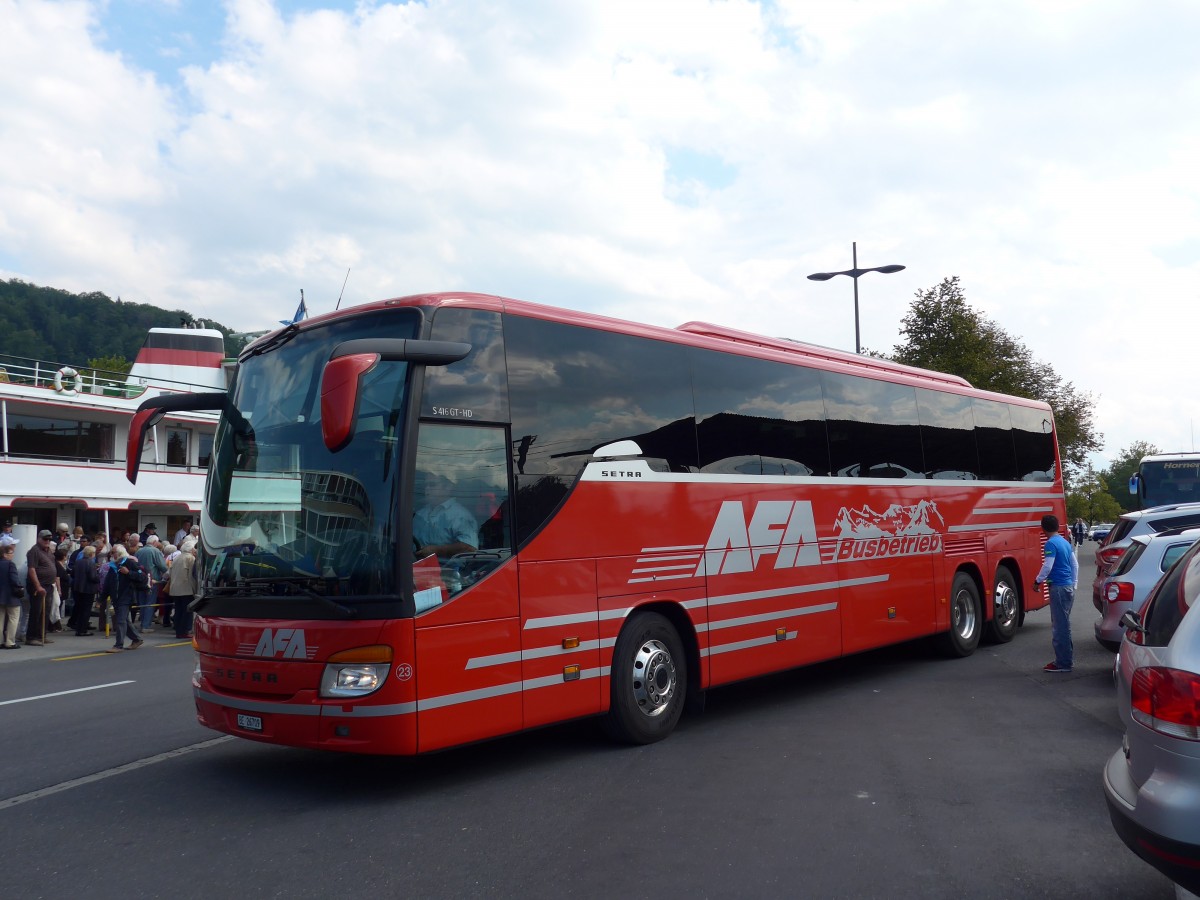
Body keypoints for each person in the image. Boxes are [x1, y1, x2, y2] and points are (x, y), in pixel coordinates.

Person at [1034, 514, 1079, 673]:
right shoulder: (1064, 542)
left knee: (1060, 627)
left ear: (1043, 528)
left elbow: (1048, 566)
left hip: (1058, 587)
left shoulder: (1050, 544)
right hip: (1067, 586)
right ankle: (1066, 660)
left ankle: (1063, 663)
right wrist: (1074, 583)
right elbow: (1074, 564)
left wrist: (1037, 581)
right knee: (1064, 624)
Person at [412, 472, 478, 561]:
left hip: (448, 568)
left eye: (432, 485)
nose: (427, 489)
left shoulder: (460, 515)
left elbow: (470, 548)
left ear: (447, 487)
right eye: (425, 485)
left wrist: (436, 550)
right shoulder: (420, 514)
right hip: (411, 566)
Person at [102, 545, 145, 652]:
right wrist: (101, 599)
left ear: (120, 553)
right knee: (124, 620)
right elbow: (107, 584)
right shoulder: (113, 566)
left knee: (120, 620)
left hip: (126, 596)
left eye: (113, 552)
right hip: (116, 597)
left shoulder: (130, 563)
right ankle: (137, 639)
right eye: (111, 552)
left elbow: (142, 577)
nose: (111, 555)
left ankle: (118, 645)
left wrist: (128, 573)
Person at [24, 530, 57, 646]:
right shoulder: (34, 551)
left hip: (48, 585)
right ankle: (31, 637)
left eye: (49, 539)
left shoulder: (48, 551)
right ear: (39, 538)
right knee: (36, 611)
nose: (47, 541)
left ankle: (41, 635)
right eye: (45, 539)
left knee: (46, 611)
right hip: (39, 585)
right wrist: (37, 586)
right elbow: (32, 569)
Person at [136, 535, 168, 629]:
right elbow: (163, 567)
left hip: (140, 580)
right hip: (152, 580)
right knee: (150, 603)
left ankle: (143, 623)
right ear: (155, 542)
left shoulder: (139, 551)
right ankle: (146, 626)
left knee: (142, 602)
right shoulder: (155, 551)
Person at [168, 540, 198, 639]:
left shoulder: (177, 557)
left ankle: (179, 631)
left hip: (175, 588)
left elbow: (169, 572)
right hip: (186, 588)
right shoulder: (191, 558)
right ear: (191, 549)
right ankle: (185, 631)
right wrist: (195, 589)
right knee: (187, 612)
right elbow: (193, 575)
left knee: (178, 610)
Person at [70, 545, 99, 636]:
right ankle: (82, 629)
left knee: (80, 608)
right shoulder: (91, 563)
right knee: (86, 610)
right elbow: (93, 577)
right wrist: (99, 577)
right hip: (88, 589)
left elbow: (72, 573)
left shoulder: (78, 562)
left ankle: (79, 628)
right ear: (91, 554)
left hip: (78, 588)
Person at [0, 543, 22, 649]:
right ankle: (10, 641)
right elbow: (14, 579)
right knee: (13, 618)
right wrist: (20, 587)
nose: (13, 555)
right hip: (11, 596)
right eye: (11, 553)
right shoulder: (10, 564)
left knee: (0, 619)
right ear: (4, 554)